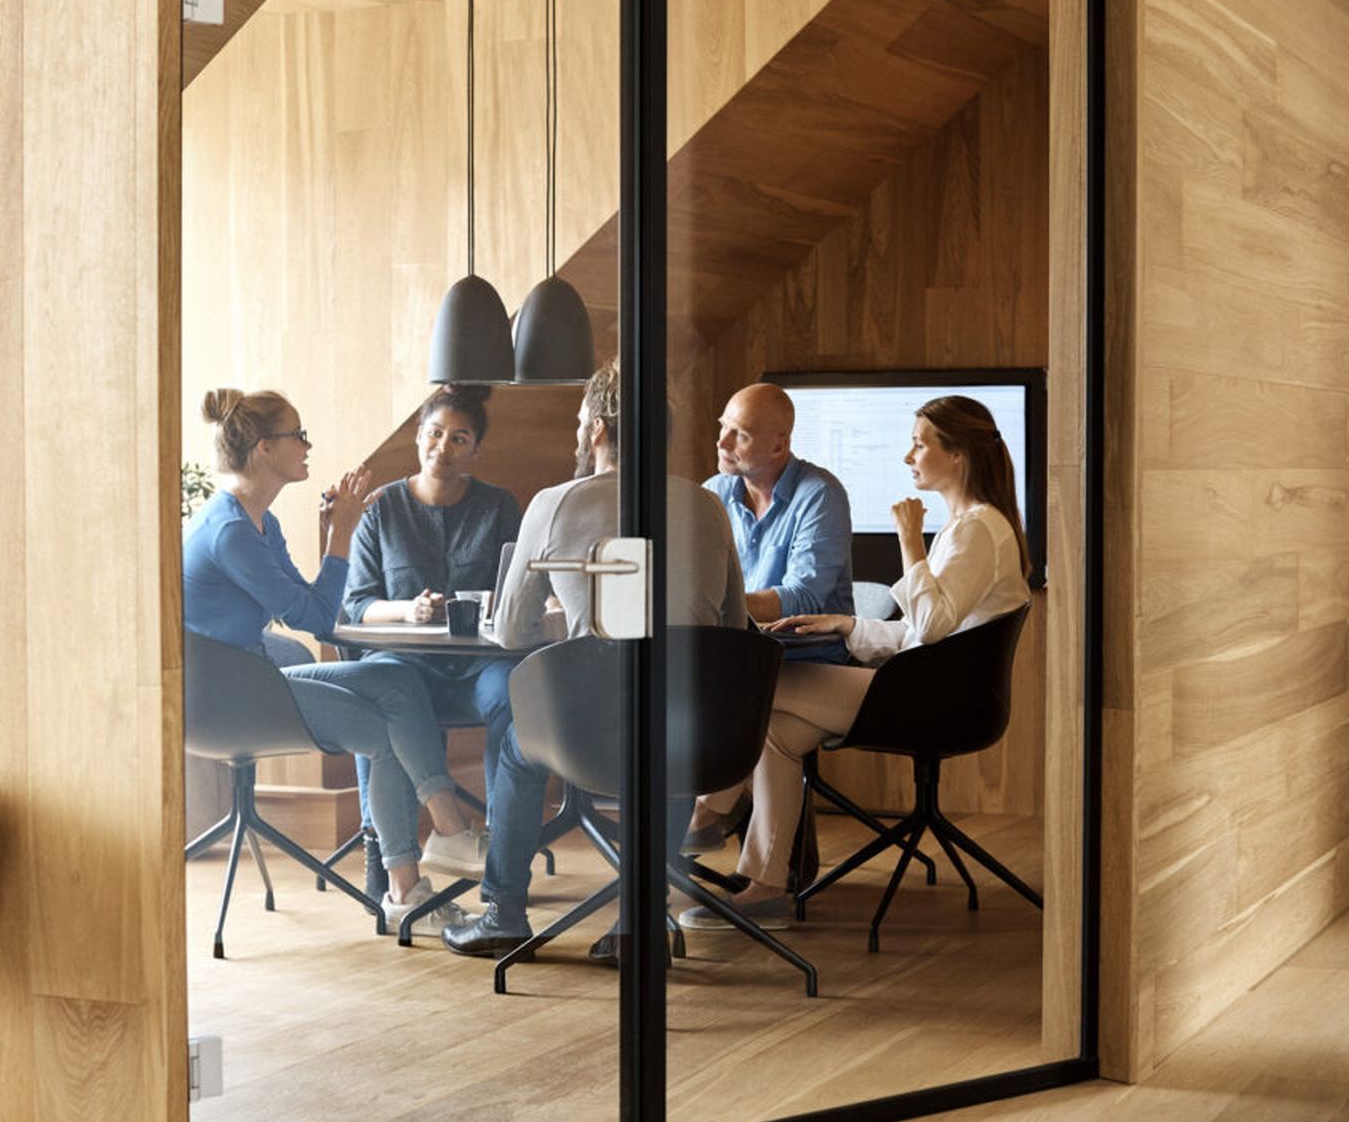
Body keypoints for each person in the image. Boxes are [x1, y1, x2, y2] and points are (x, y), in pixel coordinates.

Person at [680, 395, 1033, 930]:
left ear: (957, 456)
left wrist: (910, 541)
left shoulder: (976, 529)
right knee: (776, 729)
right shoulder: (972, 527)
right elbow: (920, 629)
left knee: (759, 686)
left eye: (920, 443)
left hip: (936, 700)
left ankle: (705, 813)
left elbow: (932, 627)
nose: (908, 456)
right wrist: (847, 625)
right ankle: (768, 887)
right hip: (926, 686)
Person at [442, 362, 748, 959]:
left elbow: (509, 633)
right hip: (704, 732)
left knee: (515, 739)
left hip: (590, 735)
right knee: (673, 727)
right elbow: (731, 630)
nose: (576, 434)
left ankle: (504, 913)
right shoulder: (708, 507)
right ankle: (640, 916)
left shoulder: (555, 503)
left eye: (580, 422)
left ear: (602, 428)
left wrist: (571, 616)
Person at [181, 388, 483, 938]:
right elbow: (319, 620)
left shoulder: (259, 523)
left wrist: (332, 536)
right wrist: (343, 532)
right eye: (298, 435)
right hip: (224, 697)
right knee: (383, 730)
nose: (307, 445)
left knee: (394, 676)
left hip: (252, 674)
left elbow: (314, 602)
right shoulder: (231, 531)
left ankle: (444, 835)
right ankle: (410, 883)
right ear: (265, 448)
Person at [341, 383, 518, 896]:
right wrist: (409, 611)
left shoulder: (500, 506)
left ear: (475, 449)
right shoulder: (380, 510)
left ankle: (502, 853)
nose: (443, 447)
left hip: (480, 668)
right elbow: (358, 604)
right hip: (407, 667)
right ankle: (384, 850)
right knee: (382, 689)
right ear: (418, 437)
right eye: (435, 434)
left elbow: (518, 592)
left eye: (459, 438)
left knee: (514, 694)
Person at [704, 382, 854, 632]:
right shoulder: (712, 492)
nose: (722, 443)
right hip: (738, 647)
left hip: (807, 655)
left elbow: (803, 598)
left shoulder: (821, 494)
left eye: (740, 434)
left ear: (778, 446)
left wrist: (711, 604)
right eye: (723, 426)